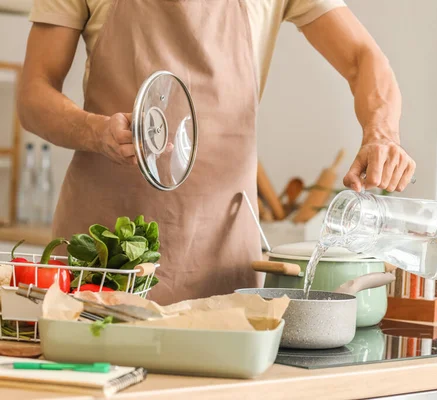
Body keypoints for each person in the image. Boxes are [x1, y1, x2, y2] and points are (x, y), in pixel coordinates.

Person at [17, 0, 416, 305]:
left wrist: (382, 133)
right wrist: (96, 131)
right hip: (102, 251)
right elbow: (34, 93)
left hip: (223, 250)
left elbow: (363, 58)